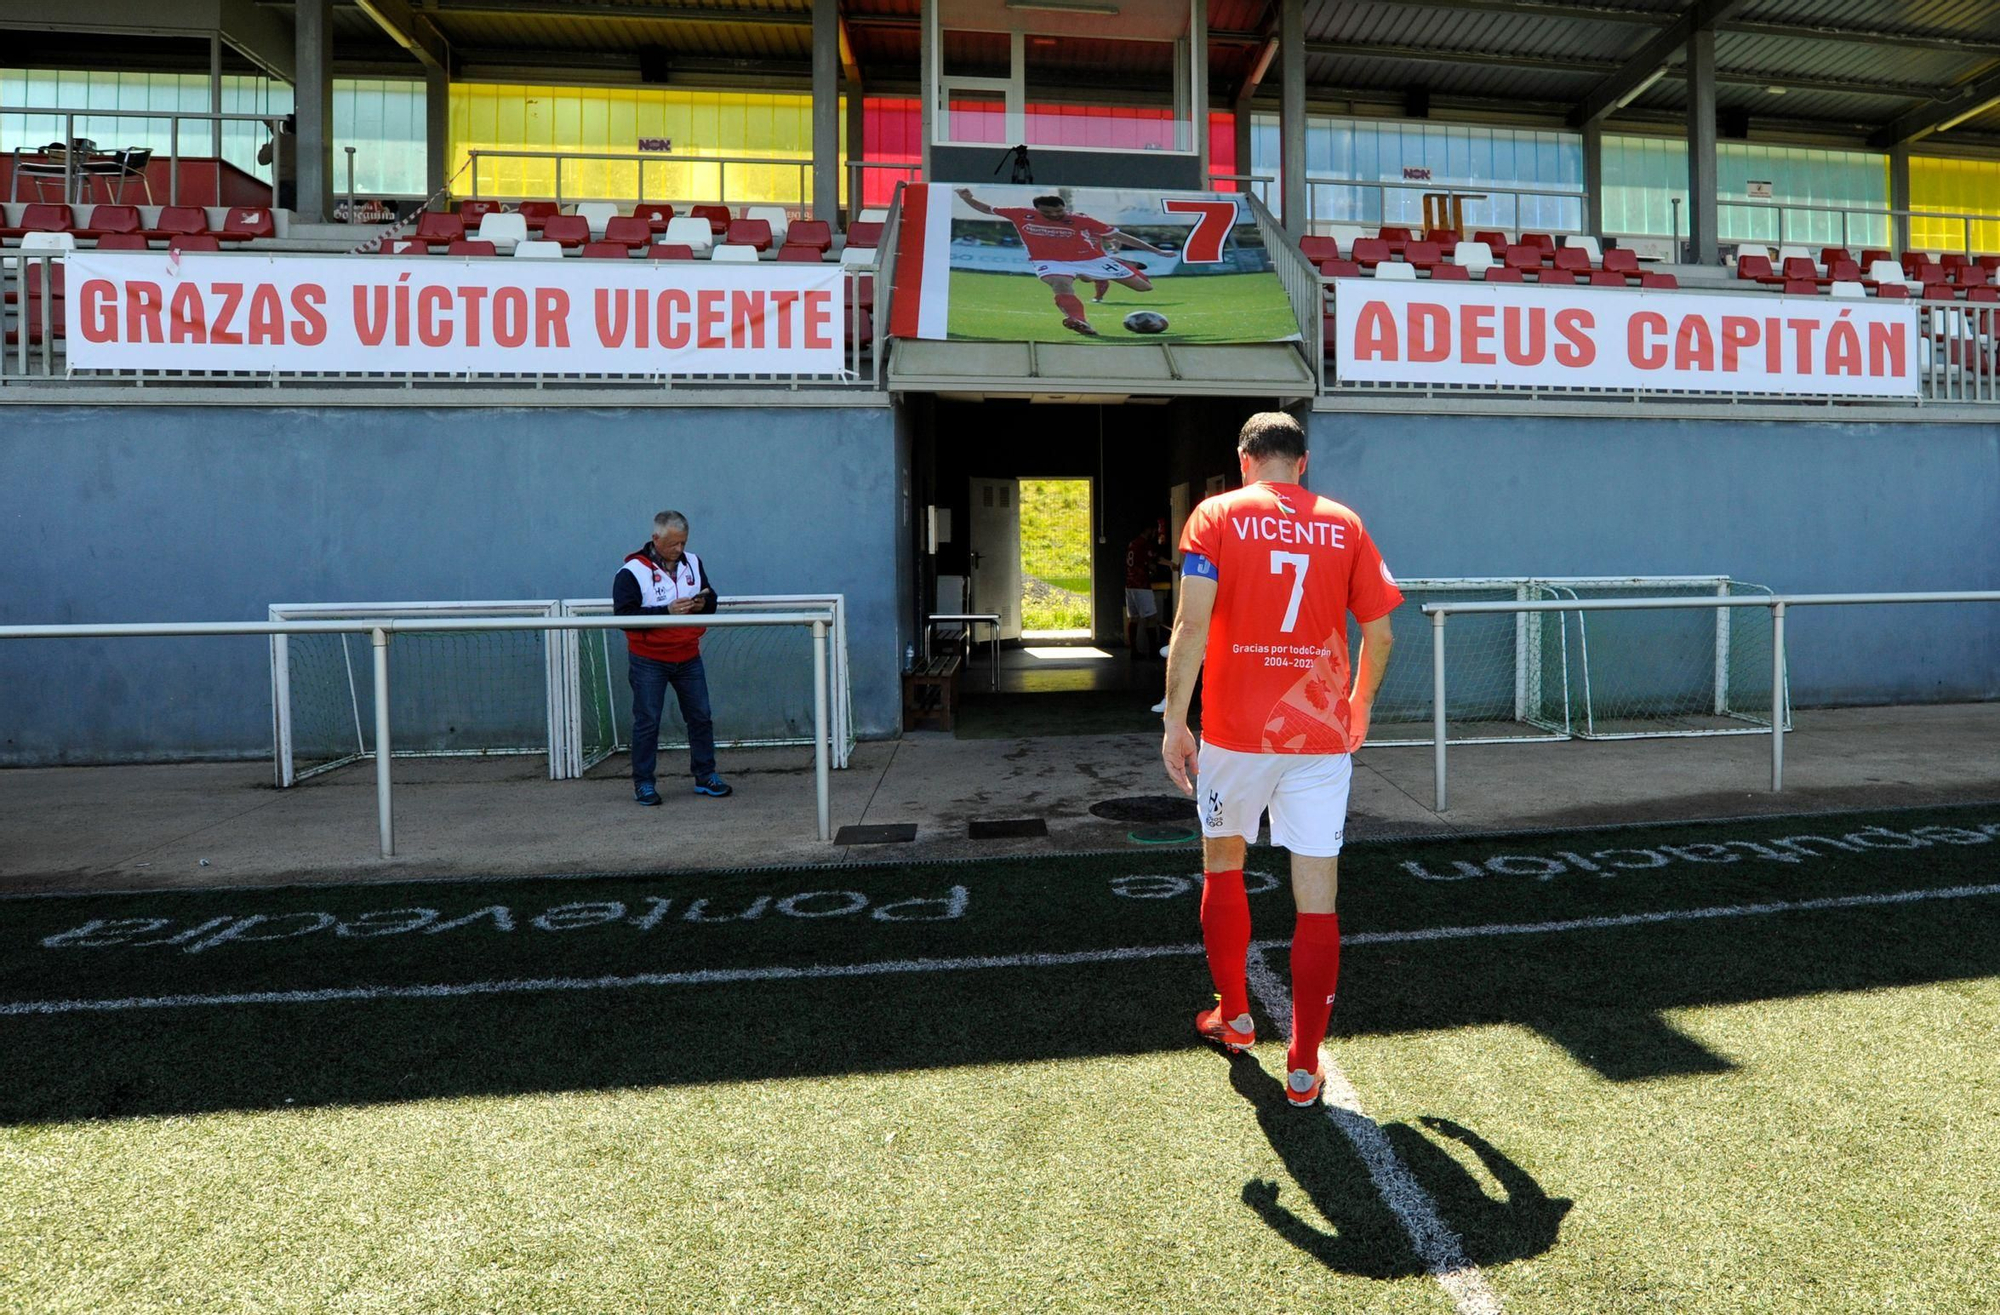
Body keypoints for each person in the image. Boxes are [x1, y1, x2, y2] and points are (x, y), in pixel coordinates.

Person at [1159, 412, 1400, 1109]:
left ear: (1244, 461)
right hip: (1318, 732)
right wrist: (1358, 706)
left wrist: (1176, 719)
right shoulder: (1345, 524)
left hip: (1235, 732)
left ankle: (1234, 1016)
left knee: (1223, 864)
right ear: (1304, 462)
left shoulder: (1215, 517)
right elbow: (1379, 635)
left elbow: (1191, 624)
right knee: (1317, 896)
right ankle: (1302, 1064)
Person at [613, 510, 733, 806]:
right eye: (673, 544)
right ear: (656, 539)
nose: (679, 550)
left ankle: (706, 775)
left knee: (701, 717)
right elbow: (625, 617)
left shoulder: (693, 562)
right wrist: (666, 612)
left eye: (683, 543)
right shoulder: (631, 572)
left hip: (688, 655)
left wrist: (705, 601)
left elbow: (711, 601)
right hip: (648, 659)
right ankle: (643, 783)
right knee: (648, 721)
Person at [954, 188, 1172, 338]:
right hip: (1049, 261)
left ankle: (1117, 262)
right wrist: (967, 198)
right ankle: (1080, 321)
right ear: (1037, 210)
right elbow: (987, 209)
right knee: (1060, 284)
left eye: (1060, 211)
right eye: (1049, 212)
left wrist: (1155, 251)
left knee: (1144, 288)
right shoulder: (1020, 214)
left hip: (1090, 259)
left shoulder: (1080, 219)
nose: (1056, 215)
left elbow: (1121, 236)